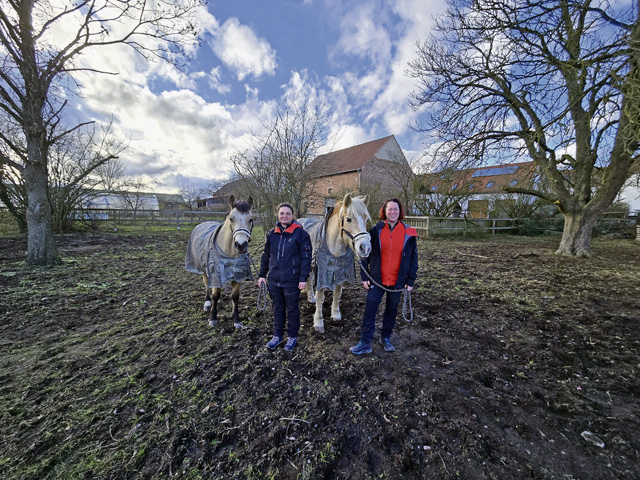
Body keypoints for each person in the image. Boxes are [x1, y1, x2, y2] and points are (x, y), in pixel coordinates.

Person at [350, 198, 418, 355]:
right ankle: (365, 342)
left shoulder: (408, 232)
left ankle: (386, 337)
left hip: (398, 281)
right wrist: (364, 276)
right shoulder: (375, 230)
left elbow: (414, 258)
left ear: (400, 212)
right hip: (377, 279)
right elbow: (365, 254)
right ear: (385, 211)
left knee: (391, 310)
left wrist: (411, 280)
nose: (393, 212)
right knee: (370, 311)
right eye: (390, 209)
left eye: (396, 209)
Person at [259, 203, 312, 352]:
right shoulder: (272, 234)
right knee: (277, 307)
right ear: (278, 215)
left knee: (292, 308)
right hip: (274, 280)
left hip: (292, 280)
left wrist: (303, 278)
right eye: (282, 213)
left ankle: (292, 336)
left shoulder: (301, 234)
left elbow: (306, 258)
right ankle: (277, 335)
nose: (284, 216)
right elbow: (266, 255)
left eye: (288, 213)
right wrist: (262, 275)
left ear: (292, 215)